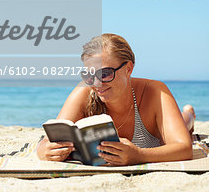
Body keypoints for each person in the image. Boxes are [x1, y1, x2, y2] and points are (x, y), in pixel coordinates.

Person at [37, 33, 195, 165]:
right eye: (89, 75)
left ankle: (189, 115)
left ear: (128, 69)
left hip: (156, 136)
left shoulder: (156, 92)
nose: (97, 84)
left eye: (105, 74)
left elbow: (184, 148)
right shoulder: (83, 93)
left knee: (183, 122)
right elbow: (45, 143)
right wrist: (44, 151)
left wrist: (139, 155)